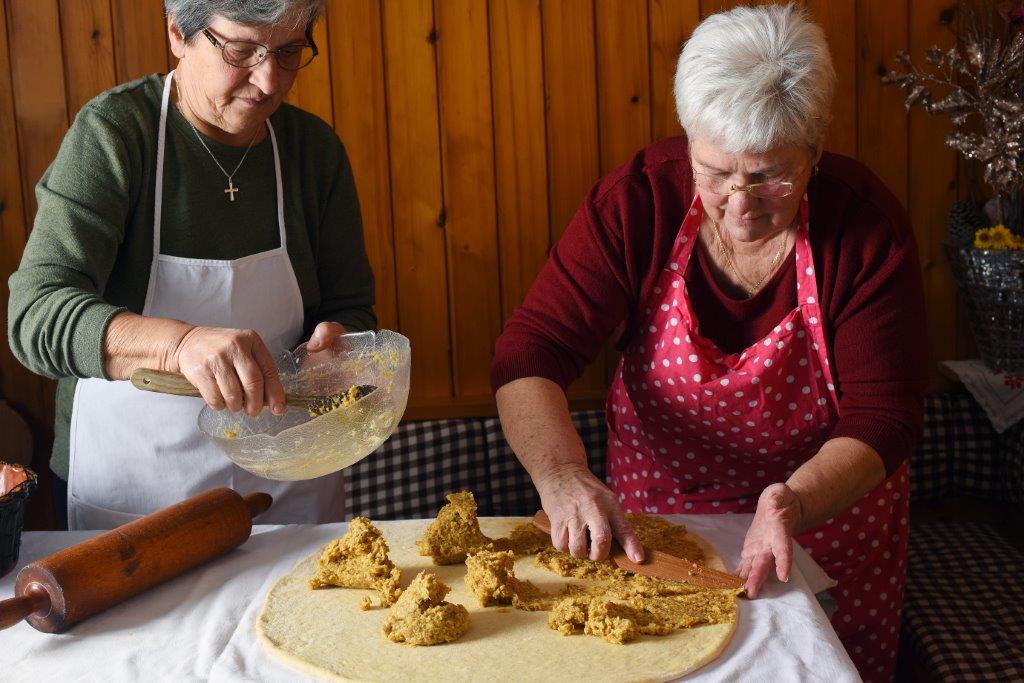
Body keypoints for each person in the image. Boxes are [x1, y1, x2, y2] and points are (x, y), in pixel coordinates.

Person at [491, 5, 925, 681]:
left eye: (771, 177)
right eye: (716, 172)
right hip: (656, 526)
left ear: (817, 146)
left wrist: (791, 501)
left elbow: (885, 415)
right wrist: (561, 473)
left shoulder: (863, 225)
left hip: (822, 523)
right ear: (690, 139)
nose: (741, 204)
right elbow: (533, 349)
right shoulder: (640, 201)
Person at [7, 0, 375, 530]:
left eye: (289, 51)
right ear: (179, 34)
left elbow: (350, 306)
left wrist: (339, 346)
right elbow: (34, 316)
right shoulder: (116, 135)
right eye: (241, 50)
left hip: (289, 486)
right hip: (135, 495)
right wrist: (177, 346)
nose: (269, 79)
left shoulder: (312, 152)